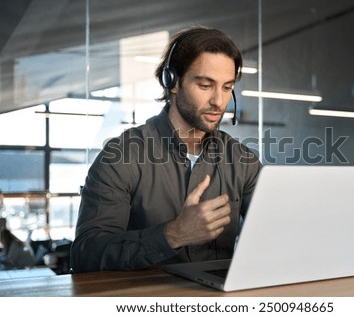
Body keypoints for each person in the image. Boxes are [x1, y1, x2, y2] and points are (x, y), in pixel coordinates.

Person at [70, 26, 262, 272]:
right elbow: (85, 255)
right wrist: (173, 234)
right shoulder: (121, 156)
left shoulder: (243, 160)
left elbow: (278, 231)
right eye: (205, 85)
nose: (219, 101)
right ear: (172, 82)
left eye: (227, 87)